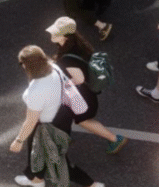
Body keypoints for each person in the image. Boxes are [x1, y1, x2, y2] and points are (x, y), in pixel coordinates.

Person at [10, 45, 103, 187]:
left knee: (58, 160)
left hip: (47, 126)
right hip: (63, 116)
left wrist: (18, 140)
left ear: (27, 65)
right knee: (38, 153)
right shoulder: (54, 67)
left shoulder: (36, 90)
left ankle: (91, 184)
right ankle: (36, 180)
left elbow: (31, 120)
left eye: (21, 63)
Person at [46, 16, 127, 153]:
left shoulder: (67, 59)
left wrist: (61, 82)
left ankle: (115, 139)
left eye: (56, 32)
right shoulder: (77, 44)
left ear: (65, 36)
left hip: (82, 96)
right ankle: (62, 138)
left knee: (80, 119)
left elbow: (79, 79)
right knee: (66, 115)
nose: (51, 34)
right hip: (86, 94)